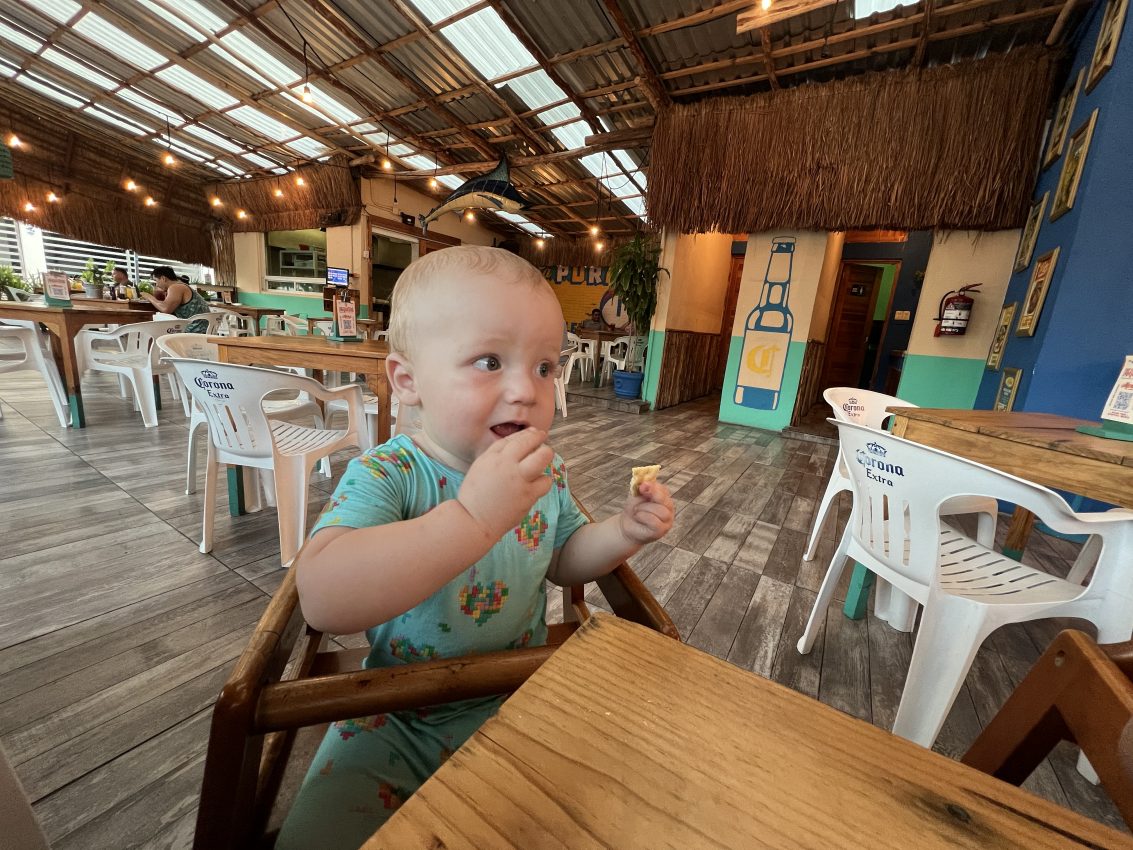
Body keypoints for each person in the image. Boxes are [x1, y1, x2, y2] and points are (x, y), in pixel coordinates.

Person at [276, 247, 674, 850]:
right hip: (395, 713)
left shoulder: (544, 471)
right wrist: (472, 517)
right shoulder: (389, 473)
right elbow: (324, 600)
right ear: (407, 382)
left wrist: (622, 532)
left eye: (545, 367)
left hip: (519, 700)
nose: (525, 390)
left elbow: (563, 557)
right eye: (490, 361)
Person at [140, 266, 210, 332]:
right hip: (203, 329)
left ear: (163, 278)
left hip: (195, 331)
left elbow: (165, 309)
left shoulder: (176, 287)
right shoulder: (181, 285)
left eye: (156, 281)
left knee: (158, 332)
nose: (157, 285)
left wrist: (148, 296)